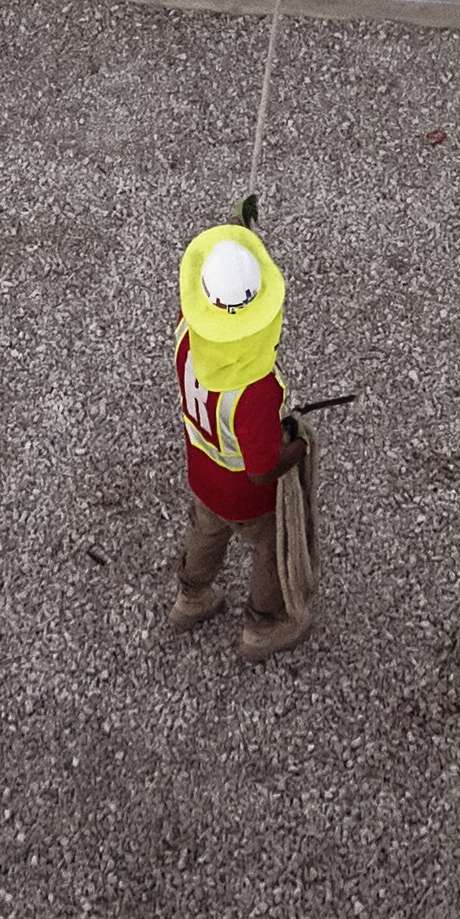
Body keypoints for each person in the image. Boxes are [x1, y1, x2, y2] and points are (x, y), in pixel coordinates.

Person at [164, 217, 312, 657]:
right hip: (248, 500)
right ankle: (263, 626)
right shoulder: (256, 390)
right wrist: (299, 447)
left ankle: (191, 597)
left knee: (206, 532)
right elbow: (262, 471)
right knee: (270, 551)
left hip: (202, 472)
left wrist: (237, 234)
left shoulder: (187, 330)